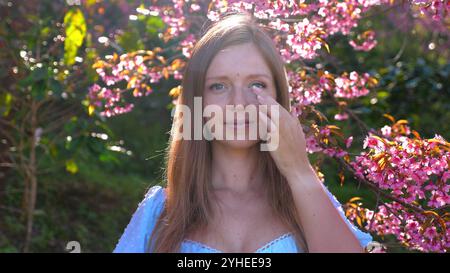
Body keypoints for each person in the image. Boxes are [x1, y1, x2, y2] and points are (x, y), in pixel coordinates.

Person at [113, 12, 373, 253]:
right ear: (197, 101)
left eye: (257, 84)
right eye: (218, 86)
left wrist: (300, 171)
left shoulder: (307, 196)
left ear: (278, 98)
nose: (239, 102)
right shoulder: (159, 211)